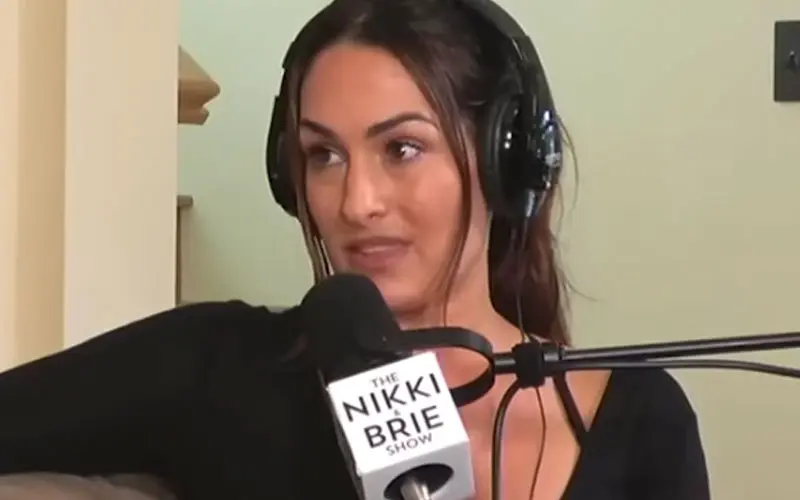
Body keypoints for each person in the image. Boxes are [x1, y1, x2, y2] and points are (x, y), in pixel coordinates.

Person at [0, 0, 710, 499]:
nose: (355, 202)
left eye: (402, 148)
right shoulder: (214, 365)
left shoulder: (639, 417)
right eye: (324, 155)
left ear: (507, 163)